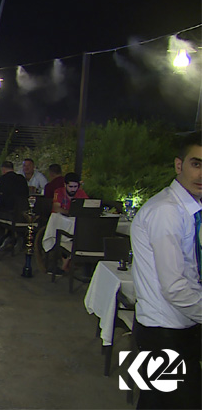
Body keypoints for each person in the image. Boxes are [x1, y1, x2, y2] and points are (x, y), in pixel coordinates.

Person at [129, 131, 201, 409]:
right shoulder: (166, 211)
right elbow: (174, 288)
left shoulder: (190, 209)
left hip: (177, 326)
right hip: (164, 332)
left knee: (153, 402)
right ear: (178, 165)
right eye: (196, 163)